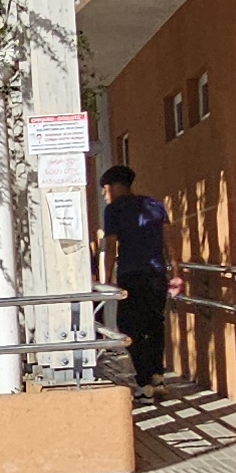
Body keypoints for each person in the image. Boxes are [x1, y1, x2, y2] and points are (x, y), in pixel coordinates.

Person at [98, 163, 170, 384]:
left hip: (132, 275)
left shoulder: (114, 210)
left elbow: (111, 247)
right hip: (157, 273)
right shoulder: (155, 205)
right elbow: (169, 238)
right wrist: (175, 270)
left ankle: (145, 380)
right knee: (155, 323)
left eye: (105, 189)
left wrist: (106, 280)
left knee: (128, 326)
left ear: (117, 187)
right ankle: (157, 373)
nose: (104, 195)